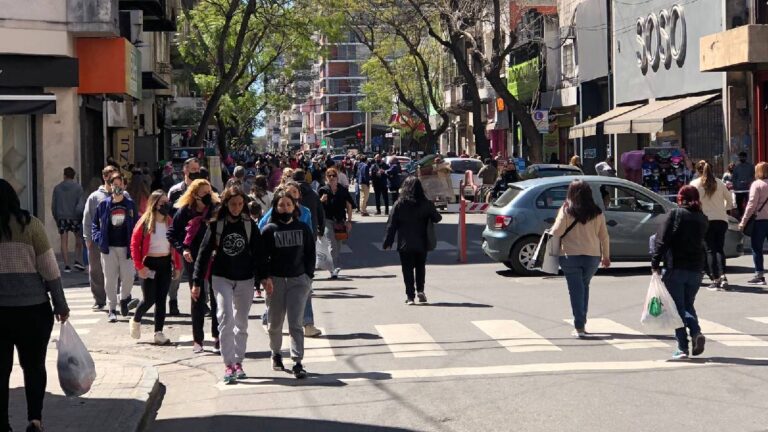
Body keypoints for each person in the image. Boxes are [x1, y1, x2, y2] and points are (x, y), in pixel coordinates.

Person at [0, 179, 70, 432]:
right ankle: (34, 420)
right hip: (33, 311)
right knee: (34, 367)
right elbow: (50, 270)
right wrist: (60, 305)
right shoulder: (32, 226)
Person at [194, 186, 266, 384]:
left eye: (240, 204)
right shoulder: (216, 225)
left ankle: (239, 362)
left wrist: (264, 278)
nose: (237, 207)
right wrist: (196, 282)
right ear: (226, 204)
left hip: (245, 278)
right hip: (221, 277)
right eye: (233, 204)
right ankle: (228, 364)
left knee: (241, 322)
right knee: (225, 318)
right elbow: (203, 253)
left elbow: (259, 254)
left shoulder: (250, 225)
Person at [260, 190, 316, 379]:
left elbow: (310, 253)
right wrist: (265, 278)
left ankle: (297, 361)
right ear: (275, 207)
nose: (285, 208)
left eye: (288, 205)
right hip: (275, 281)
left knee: (296, 323)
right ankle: (276, 353)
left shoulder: (303, 228)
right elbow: (262, 258)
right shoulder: (269, 230)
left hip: (298, 281)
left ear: (295, 207)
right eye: (281, 205)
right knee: (275, 323)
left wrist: (308, 276)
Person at [651, 185, 709, 360]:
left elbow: (662, 241)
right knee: (687, 305)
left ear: (680, 198)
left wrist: (655, 263)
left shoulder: (675, 215)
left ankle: (683, 346)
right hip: (696, 269)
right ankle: (695, 333)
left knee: (677, 308)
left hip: (676, 268)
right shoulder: (702, 218)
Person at [258, 181, 321, 337]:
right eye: (289, 192)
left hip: (299, 261)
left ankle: (307, 324)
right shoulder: (276, 210)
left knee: (305, 294)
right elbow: (262, 226)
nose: (292, 195)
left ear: (298, 195)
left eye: (295, 192)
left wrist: (309, 271)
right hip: (279, 264)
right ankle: (268, 318)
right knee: (275, 302)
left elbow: (309, 231)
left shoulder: (305, 211)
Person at [550, 179, 610, 338]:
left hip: (570, 256)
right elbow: (604, 236)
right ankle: (582, 321)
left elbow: (556, 232)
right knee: (584, 287)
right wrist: (606, 256)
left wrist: (561, 215)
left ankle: (579, 326)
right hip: (592, 256)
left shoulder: (566, 210)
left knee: (576, 290)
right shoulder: (597, 212)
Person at [168, 179, 221, 353]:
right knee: (196, 295)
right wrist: (183, 249)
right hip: (193, 258)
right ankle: (197, 339)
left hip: (213, 257)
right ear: (194, 194)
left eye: (209, 192)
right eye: (204, 193)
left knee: (216, 297)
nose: (207, 195)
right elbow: (172, 233)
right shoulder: (185, 212)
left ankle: (217, 336)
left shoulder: (215, 209)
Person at [129, 190, 181, 345]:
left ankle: (158, 332)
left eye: (167, 202)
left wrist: (177, 266)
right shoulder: (145, 222)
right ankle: (136, 319)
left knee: (161, 300)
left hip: (165, 264)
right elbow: (134, 244)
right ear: (154, 204)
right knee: (149, 299)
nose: (166, 205)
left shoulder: (170, 222)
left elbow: (175, 244)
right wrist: (139, 266)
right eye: (162, 203)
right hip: (149, 264)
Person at [383, 177, 442, 305]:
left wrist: (388, 242)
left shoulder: (400, 203)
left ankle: (410, 296)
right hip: (422, 241)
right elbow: (438, 218)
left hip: (405, 243)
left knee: (407, 269)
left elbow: (391, 224)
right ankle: (420, 289)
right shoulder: (426, 203)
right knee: (421, 266)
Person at [92, 172, 140, 323]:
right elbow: (95, 225)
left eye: (119, 185)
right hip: (109, 248)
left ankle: (124, 299)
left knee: (128, 278)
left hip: (126, 248)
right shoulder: (104, 205)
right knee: (110, 279)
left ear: (124, 186)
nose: (117, 187)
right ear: (110, 186)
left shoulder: (130, 205)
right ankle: (112, 309)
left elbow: (137, 224)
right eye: (114, 185)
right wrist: (99, 239)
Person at [82, 165, 124, 310]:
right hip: (97, 239)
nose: (113, 179)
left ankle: (116, 295)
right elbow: (87, 219)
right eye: (110, 176)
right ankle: (99, 299)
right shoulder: (95, 197)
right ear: (105, 177)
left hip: (117, 238)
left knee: (117, 269)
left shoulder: (123, 195)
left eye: (116, 177)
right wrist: (88, 238)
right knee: (96, 270)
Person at [166, 157, 202, 316]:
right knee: (177, 273)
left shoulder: (204, 189)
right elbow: (169, 215)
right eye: (192, 169)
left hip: (199, 239)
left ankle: (201, 303)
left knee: (200, 272)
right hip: (180, 239)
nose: (195, 172)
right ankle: (173, 301)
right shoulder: (175, 191)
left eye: (197, 169)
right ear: (185, 171)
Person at [690, 161, 734, 291]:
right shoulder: (719, 182)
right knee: (719, 248)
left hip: (705, 220)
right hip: (721, 219)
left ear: (698, 171)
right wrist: (724, 208)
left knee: (710, 250)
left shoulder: (695, 184)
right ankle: (723, 276)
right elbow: (730, 200)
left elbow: (692, 203)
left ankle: (715, 279)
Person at [318, 168, 355, 279]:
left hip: (340, 221)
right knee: (332, 244)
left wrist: (349, 221)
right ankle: (333, 268)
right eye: (329, 175)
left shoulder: (343, 190)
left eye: (334, 175)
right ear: (326, 178)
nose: (332, 177)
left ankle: (333, 265)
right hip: (328, 220)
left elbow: (349, 206)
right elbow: (317, 207)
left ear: (337, 177)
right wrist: (321, 200)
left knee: (338, 244)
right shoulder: (322, 190)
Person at [739, 162, 768, 285]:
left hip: (759, 221)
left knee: (757, 248)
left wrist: (743, 221)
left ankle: (759, 275)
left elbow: (751, 205)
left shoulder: (757, 185)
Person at [52, 167, 85, 273]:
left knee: (64, 241)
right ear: (73, 176)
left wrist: (56, 217)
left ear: (64, 175)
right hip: (75, 217)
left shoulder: (57, 188)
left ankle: (66, 265)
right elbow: (81, 204)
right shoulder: (78, 188)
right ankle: (77, 260)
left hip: (62, 216)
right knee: (78, 239)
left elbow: (53, 205)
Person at [732, 151, 755, 219]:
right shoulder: (737, 167)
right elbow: (734, 178)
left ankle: (746, 215)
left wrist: (751, 183)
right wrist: (735, 186)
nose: (741, 158)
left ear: (746, 157)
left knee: (748, 203)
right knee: (740, 203)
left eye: (743, 157)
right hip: (740, 190)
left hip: (747, 189)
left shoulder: (750, 166)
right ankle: (743, 215)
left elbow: (753, 176)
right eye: (740, 157)